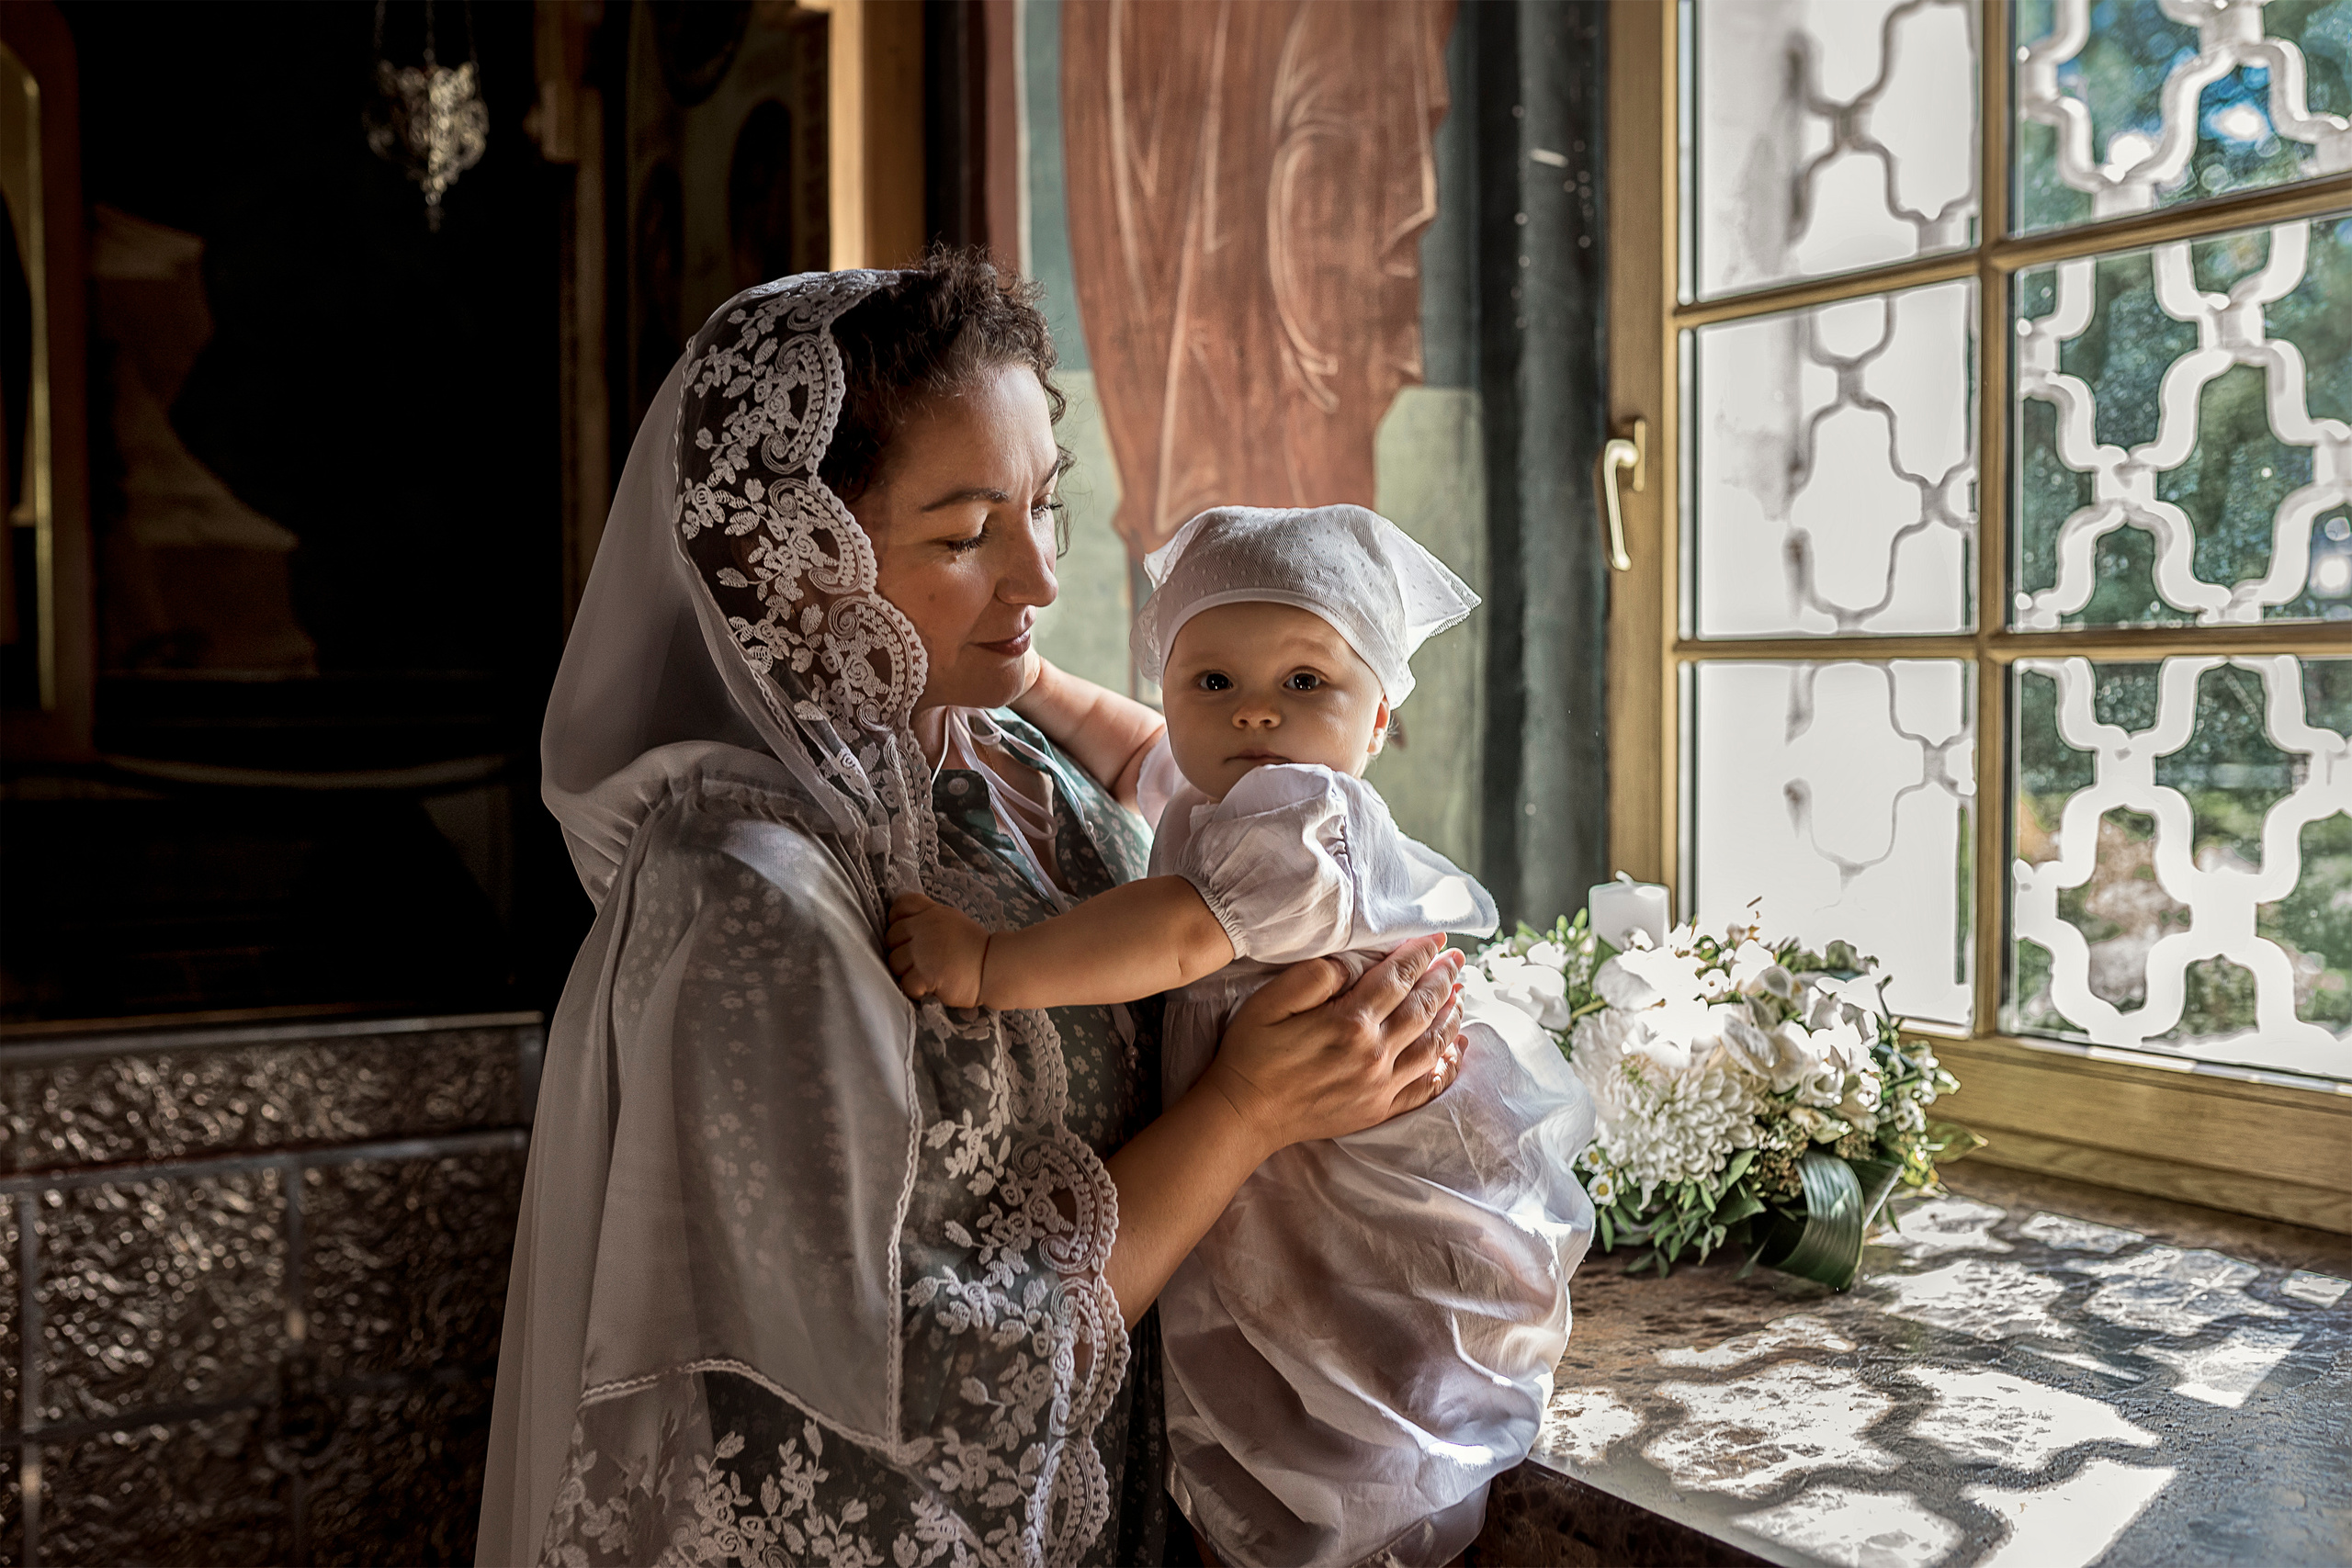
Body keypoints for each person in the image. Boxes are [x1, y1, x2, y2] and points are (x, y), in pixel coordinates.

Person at [476, 255, 1472, 1568]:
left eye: (1046, 505)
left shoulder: (1007, 755)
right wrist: (1248, 1110)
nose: (1042, 579)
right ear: (799, 566)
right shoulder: (742, 896)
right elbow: (931, 1396)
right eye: (964, 534)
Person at [889, 505, 1596, 1568]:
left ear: (1377, 725)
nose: (1255, 714)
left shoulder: (1303, 820)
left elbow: (1178, 934)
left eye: (1305, 683)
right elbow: (1139, 755)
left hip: (1363, 1158)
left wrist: (994, 965)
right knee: (1280, 1364)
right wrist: (1035, 687)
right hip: (1303, 1136)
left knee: (1339, 1375)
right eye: (1210, 683)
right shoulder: (1226, 791)